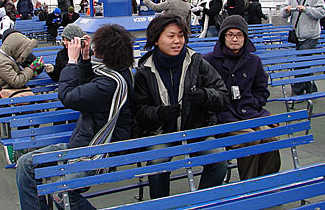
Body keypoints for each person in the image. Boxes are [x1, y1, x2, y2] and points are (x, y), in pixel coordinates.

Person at [16, 24, 134, 210]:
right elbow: (87, 82)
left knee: (62, 193)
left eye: (97, 48)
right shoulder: (113, 73)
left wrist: (72, 61)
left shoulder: (110, 83)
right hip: (84, 142)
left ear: (105, 53)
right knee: (26, 164)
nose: (95, 50)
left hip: (97, 149)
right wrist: (85, 59)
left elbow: (68, 96)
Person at [131, 14, 229, 199]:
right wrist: (159, 113)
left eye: (181, 35)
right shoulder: (144, 71)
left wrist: (205, 96)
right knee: (157, 162)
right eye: (171, 36)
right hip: (161, 133)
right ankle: (162, 203)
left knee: (218, 158)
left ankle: (202, 201)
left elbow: (222, 95)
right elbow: (138, 111)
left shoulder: (198, 63)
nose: (177, 41)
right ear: (156, 40)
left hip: (196, 129)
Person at [204, 15, 281, 180]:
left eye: (239, 35)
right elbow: (206, 94)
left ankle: (267, 183)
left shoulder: (254, 60)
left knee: (270, 137)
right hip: (224, 116)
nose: (234, 39)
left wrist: (254, 103)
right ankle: (250, 185)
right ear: (223, 36)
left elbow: (262, 91)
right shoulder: (209, 61)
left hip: (250, 112)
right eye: (230, 34)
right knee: (250, 139)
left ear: (245, 37)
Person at [281, 0, 325, 95]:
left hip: (311, 35)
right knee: (304, 63)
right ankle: (311, 88)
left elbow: (322, 12)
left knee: (301, 63)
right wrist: (286, 10)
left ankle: (297, 91)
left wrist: (306, 10)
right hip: (297, 35)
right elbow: (282, 12)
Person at [0, 29, 43, 115]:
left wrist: (35, 69)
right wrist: (32, 68)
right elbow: (17, 82)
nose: (24, 53)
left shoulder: (10, 57)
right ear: (16, 48)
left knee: (34, 110)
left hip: (11, 93)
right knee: (31, 113)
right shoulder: (1, 62)